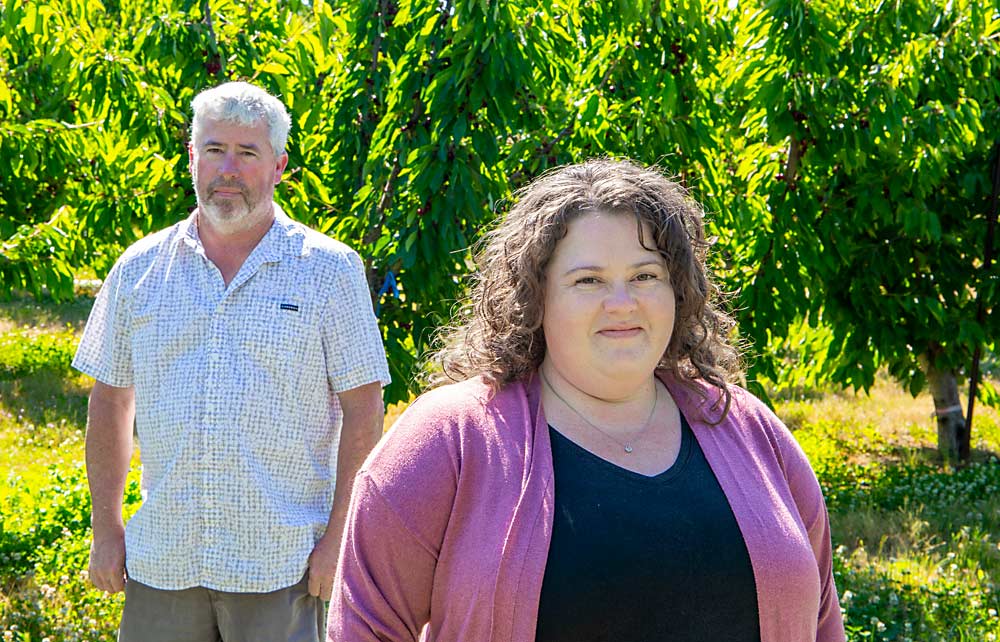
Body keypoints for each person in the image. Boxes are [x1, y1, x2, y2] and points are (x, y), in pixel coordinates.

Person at [328, 158, 845, 641]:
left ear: (678, 290)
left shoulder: (747, 427)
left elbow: (823, 620)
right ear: (535, 297)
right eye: (588, 280)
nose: (622, 303)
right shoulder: (449, 440)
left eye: (645, 275)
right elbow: (364, 626)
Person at [73, 81, 390, 642]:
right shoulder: (140, 269)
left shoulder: (329, 271)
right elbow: (110, 400)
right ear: (192, 158)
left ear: (279, 165)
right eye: (215, 150)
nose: (229, 169)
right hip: (164, 560)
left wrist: (340, 535)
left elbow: (364, 409)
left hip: (280, 564)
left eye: (248, 153)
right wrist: (106, 528)